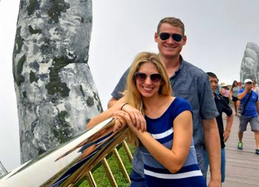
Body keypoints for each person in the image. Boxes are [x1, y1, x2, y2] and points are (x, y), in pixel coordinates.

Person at [108, 17, 221, 187]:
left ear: (184, 40)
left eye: (176, 37)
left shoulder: (198, 77)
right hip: (144, 172)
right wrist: (126, 107)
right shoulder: (139, 70)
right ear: (156, 37)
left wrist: (216, 178)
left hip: (186, 174)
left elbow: (210, 127)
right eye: (164, 35)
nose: (170, 41)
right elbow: (113, 102)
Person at [88, 52, 207, 186]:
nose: (148, 82)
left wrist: (138, 130)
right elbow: (91, 129)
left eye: (155, 77)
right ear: (133, 78)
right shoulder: (132, 104)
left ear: (162, 80)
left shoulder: (180, 108)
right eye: (141, 76)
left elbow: (175, 164)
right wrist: (122, 106)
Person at [206, 72, 233, 183]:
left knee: (219, 177)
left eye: (215, 81)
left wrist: (227, 130)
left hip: (218, 144)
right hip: (201, 144)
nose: (213, 84)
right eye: (210, 81)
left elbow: (230, 114)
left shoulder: (219, 99)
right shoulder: (197, 99)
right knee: (199, 176)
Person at [237, 78, 259, 155]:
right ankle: (240, 142)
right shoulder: (241, 91)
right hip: (244, 115)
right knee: (241, 130)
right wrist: (246, 90)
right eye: (247, 84)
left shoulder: (255, 94)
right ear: (245, 84)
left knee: (256, 130)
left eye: (250, 83)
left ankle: (257, 147)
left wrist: (258, 113)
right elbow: (239, 97)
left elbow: (257, 104)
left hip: (253, 115)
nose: (249, 85)